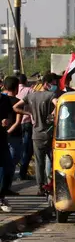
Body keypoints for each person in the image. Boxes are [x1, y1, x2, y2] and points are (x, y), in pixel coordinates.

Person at [13, 73, 59, 196]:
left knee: (39, 163)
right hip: (50, 133)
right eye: (53, 83)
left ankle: (40, 187)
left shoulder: (31, 96)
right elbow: (58, 104)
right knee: (54, 161)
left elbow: (15, 107)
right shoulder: (51, 95)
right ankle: (53, 184)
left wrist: (28, 113)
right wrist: (54, 114)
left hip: (36, 134)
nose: (55, 86)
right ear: (46, 84)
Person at [1, 76, 21, 210]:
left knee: (8, 167)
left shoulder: (4, 100)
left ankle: (3, 194)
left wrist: (7, 122)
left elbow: (10, 113)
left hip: (2, 138)